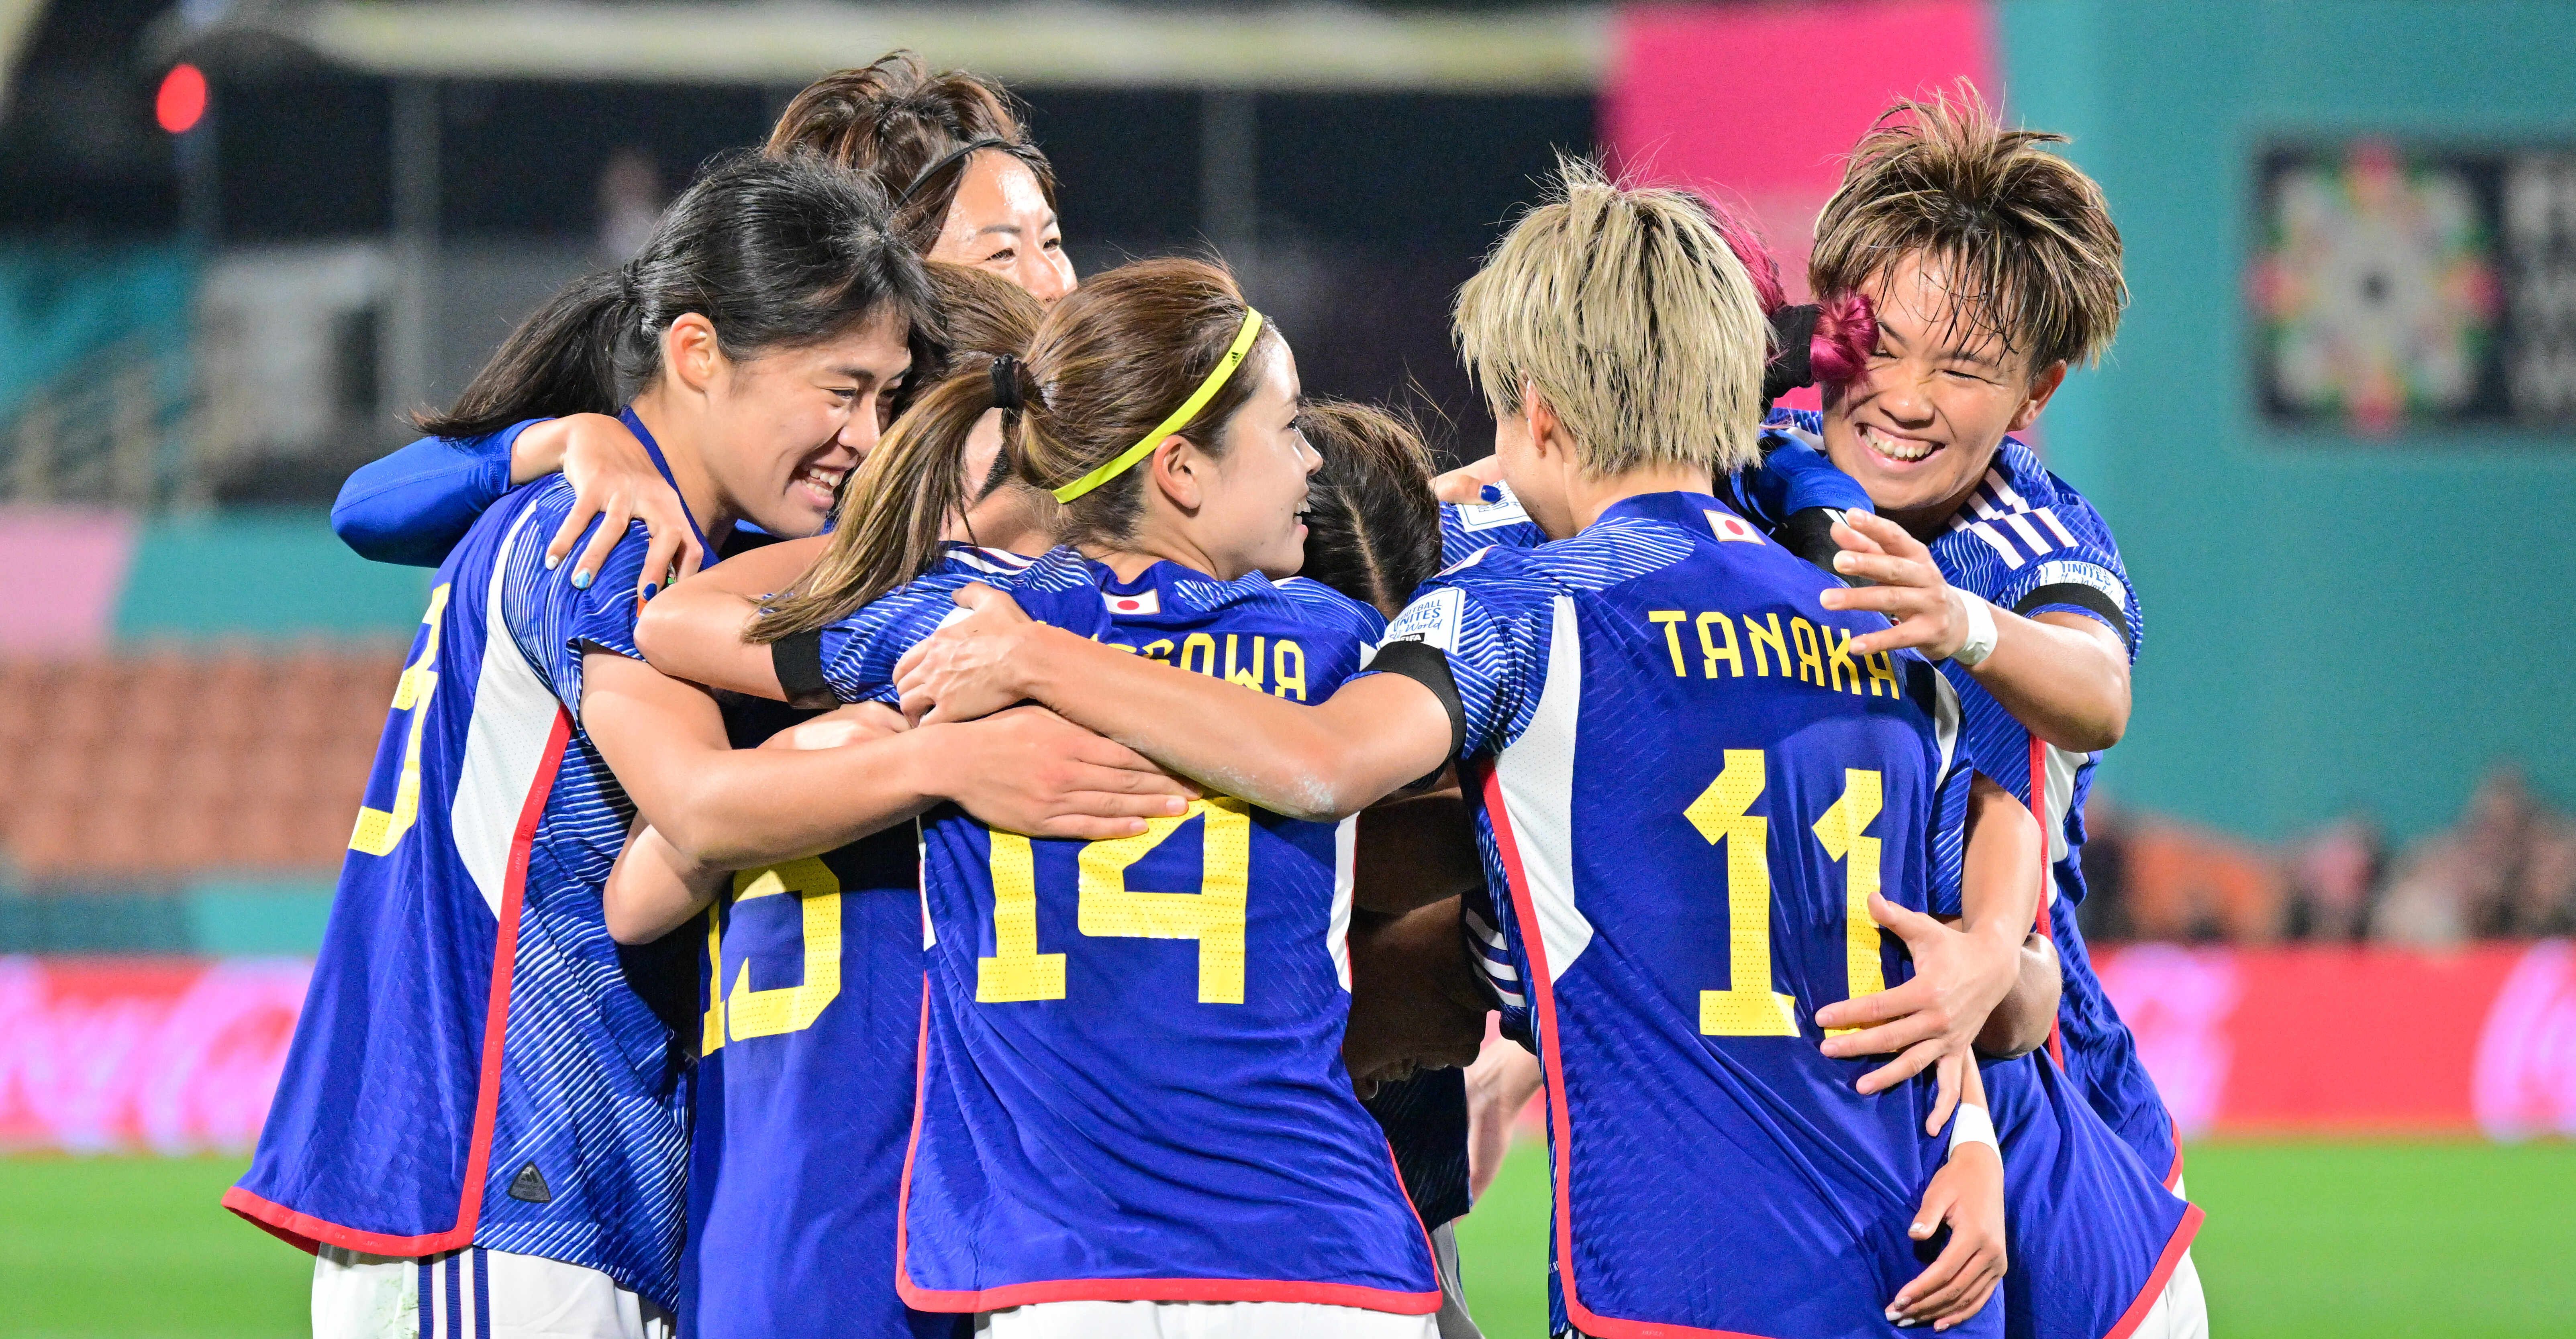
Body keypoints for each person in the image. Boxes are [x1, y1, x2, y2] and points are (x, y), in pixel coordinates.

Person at [887, 163, 2023, 1338]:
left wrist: (1041, 658)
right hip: (1914, 1267)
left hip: (1673, 1286)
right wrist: (1976, 1139)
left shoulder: (1515, 614)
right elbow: (1975, 930)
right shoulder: (1888, 620)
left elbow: (1320, 764)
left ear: (1539, 412)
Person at [227, 153, 1186, 1339]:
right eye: (841, 391)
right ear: (696, 354)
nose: (864, 438)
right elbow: (697, 807)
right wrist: (939, 759)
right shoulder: (611, 533)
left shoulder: (655, 527)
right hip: (496, 1168)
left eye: (886, 400)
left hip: (540, 1183)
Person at [715, 256, 1447, 1337]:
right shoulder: (1334, 642)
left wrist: (920, 586)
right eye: (1290, 426)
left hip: (1055, 1271)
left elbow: (678, 623)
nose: (1310, 461)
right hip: (1315, 1254)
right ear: (1182, 471)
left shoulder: (954, 632)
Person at [329, 50, 1074, 595]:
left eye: (1051, 241)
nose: (1052, 285)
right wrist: (565, 438)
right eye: (1001, 253)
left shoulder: (1060, 461)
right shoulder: (758, 496)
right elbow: (366, 510)